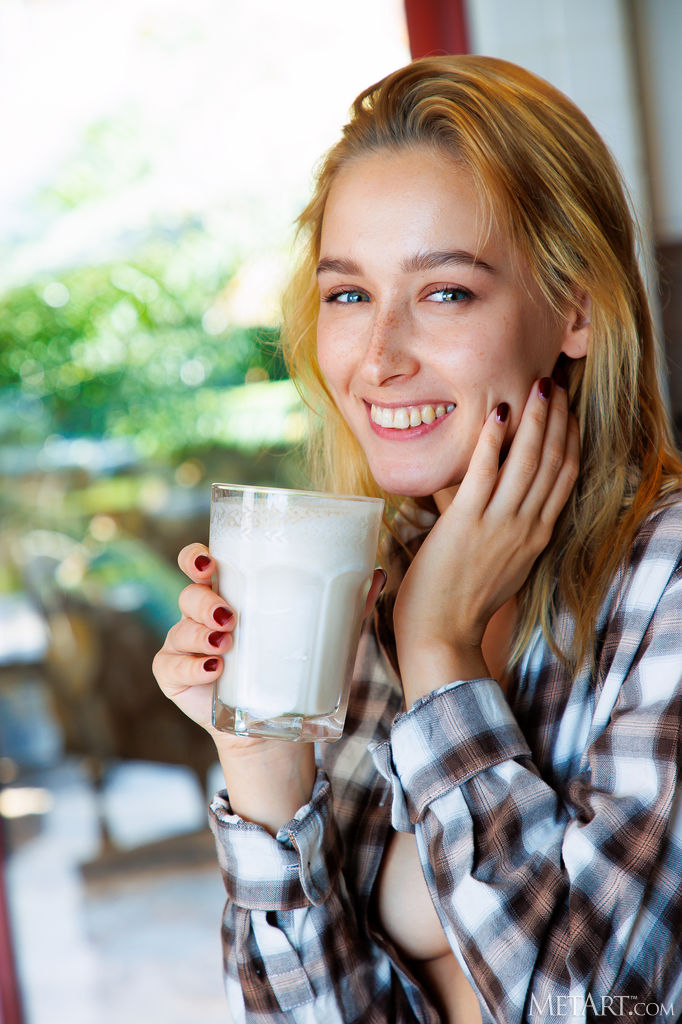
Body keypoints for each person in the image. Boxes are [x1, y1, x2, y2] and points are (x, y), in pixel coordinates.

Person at [152, 55, 682, 1023]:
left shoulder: (665, 581)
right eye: (348, 295)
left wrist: (436, 648)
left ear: (575, 308)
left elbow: (598, 1007)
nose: (379, 357)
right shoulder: (362, 575)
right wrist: (263, 773)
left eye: (443, 293)